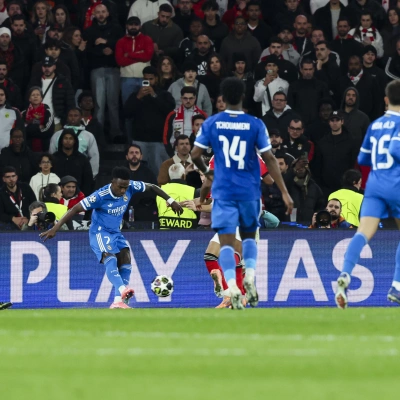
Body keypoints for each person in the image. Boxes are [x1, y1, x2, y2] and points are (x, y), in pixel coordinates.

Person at [191, 77, 293, 309]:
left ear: (223, 99)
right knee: (247, 239)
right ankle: (249, 277)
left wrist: (207, 178)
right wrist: (285, 192)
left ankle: (233, 289)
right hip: (250, 193)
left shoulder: (213, 123)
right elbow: (269, 159)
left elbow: (196, 155)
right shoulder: (256, 124)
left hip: (225, 193)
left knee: (226, 245)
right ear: (244, 96)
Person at [40, 166, 183, 309]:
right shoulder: (100, 196)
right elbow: (75, 208)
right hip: (100, 233)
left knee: (125, 258)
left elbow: (151, 187)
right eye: (120, 187)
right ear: (112, 182)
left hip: (116, 232)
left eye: (125, 188)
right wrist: (55, 228)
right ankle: (122, 290)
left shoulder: (130, 186)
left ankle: (118, 302)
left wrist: (170, 200)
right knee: (111, 257)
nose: (123, 191)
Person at [334, 80, 400, 308]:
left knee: (362, 233)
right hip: (396, 184)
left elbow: (362, 159)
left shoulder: (375, 124)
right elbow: (395, 149)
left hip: (374, 186)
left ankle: (345, 273)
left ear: (386, 99)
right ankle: (397, 286)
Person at [124, 65, 176, 177]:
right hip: (139, 140)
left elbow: (169, 110)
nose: (148, 82)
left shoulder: (164, 94)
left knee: (159, 172)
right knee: (139, 172)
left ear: (156, 79)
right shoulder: (136, 95)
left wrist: (154, 95)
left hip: (158, 140)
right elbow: (126, 113)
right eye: (145, 79)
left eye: (151, 79)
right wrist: (138, 97)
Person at [85, 3, 124, 141]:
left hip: (113, 68)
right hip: (97, 69)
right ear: (94, 14)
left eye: (103, 11)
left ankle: (116, 132)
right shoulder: (89, 31)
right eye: (98, 12)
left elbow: (121, 44)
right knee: (99, 104)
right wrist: (102, 51)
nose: (101, 14)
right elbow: (87, 50)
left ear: (108, 13)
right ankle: (98, 134)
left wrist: (107, 43)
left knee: (113, 103)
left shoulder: (117, 28)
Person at [311, 110, 359, 198]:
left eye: (337, 120)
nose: (335, 123)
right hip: (325, 187)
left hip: (345, 187)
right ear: (329, 122)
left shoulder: (351, 142)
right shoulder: (322, 142)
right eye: (332, 120)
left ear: (342, 122)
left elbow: (353, 164)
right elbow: (317, 165)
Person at [49, 107, 100, 179]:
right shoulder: (57, 135)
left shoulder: (88, 136)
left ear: (81, 117)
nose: (73, 118)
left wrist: (92, 175)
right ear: (67, 117)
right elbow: (52, 156)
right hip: (59, 171)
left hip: (81, 171)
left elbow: (94, 157)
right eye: (70, 115)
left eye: (76, 115)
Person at [27, 56, 75, 132]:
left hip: (57, 123)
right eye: (44, 66)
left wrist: (65, 121)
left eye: (49, 66)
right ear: (41, 67)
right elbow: (27, 101)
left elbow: (70, 102)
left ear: (54, 66)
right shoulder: (34, 81)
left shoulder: (63, 81)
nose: (47, 69)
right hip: (38, 123)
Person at [163, 87, 207, 156]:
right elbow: (166, 137)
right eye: (185, 98)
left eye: (191, 98)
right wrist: (171, 153)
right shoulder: (172, 115)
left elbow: (207, 135)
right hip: (176, 153)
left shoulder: (202, 115)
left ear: (195, 98)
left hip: (196, 153)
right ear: (181, 98)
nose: (188, 101)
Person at [337, 55, 382, 121]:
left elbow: (377, 101)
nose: (353, 67)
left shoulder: (371, 80)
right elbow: (338, 101)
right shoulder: (341, 81)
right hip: (346, 120)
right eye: (351, 64)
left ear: (361, 65)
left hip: (368, 119)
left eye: (356, 64)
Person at [287, 58, 330, 126]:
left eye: (310, 69)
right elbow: (290, 106)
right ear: (301, 70)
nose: (308, 72)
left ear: (314, 70)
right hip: (299, 124)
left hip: (318, 123)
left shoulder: (321, 86)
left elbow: (326, 106)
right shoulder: (293, 86)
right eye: (306, 69)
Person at [52, 129, 93, 196]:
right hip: (57, 197)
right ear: (61, 141)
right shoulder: (54, 158)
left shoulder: (82, 159)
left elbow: (88, 180)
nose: (68, 141)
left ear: (74, 141)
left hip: (78, 198)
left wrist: (84, 196)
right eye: (65, 138)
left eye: (71, 138)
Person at [157, 163, 197, 229]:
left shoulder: (160, 190)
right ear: (184, 176)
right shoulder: (193, 190)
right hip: (189, 233)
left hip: (164, 234)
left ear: (169, 176)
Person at [124, 143, 158, 222]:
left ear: (141, 156)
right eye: (131, 153)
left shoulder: (149, 173)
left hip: (143, 212)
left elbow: (154, 192)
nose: (134, 155)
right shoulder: (121, 172)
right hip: (123, 211)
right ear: (127, 156)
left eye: (137, 153)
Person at [22, 86, 54, 152]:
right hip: (27, 148)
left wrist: (30, 127)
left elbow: (48, 132)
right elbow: (22, 131)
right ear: (29, 99)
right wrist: (39, 127)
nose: (35, 97)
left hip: (44, 148)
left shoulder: (48, 111)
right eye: (33, 95)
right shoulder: (23, 113)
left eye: (38, 95)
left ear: (41, 98)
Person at [0, 86, 24, 152]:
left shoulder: (14, 112)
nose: (0, 97)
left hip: (8, 152)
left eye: (2, 95)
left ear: (5, 96)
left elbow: (21, 132)